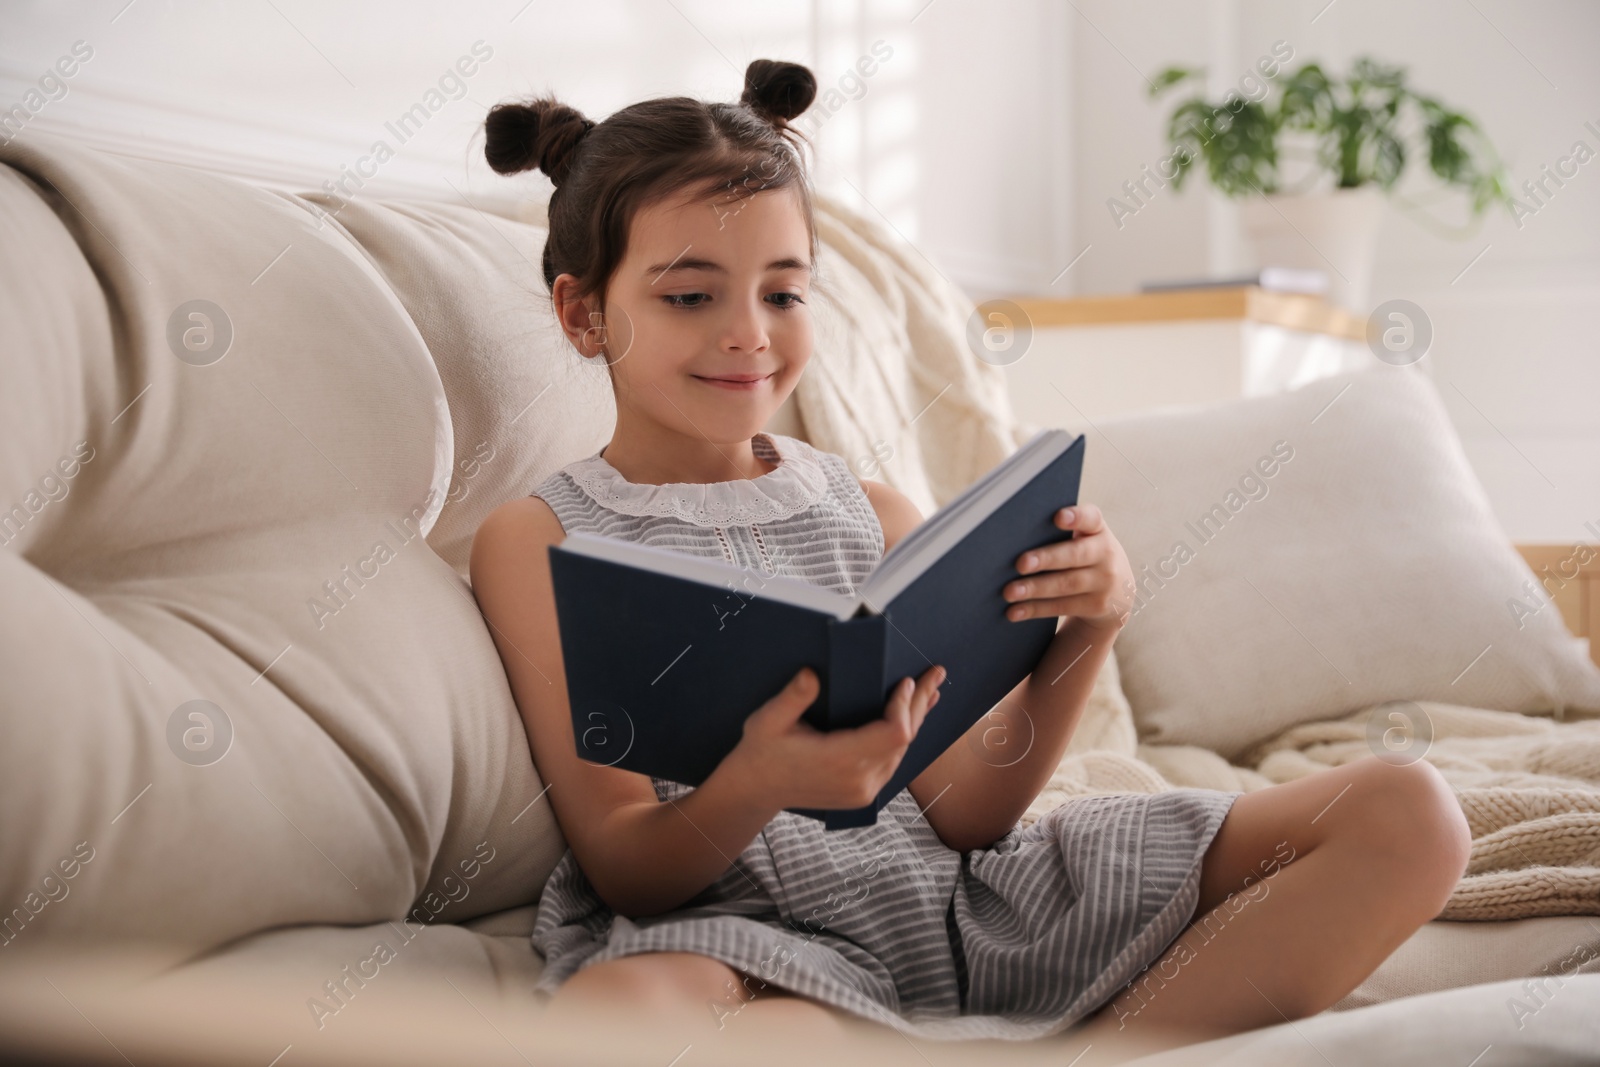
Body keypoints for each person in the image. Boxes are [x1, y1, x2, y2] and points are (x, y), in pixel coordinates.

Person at [467, 58, 1471, 1050]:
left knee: (1407, 809)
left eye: (784, 292)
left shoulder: (875, 514)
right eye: (691, 296)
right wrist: (759, 778)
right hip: (746, 936)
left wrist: (1088, 628)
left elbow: (970, 811)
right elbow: (627, 865)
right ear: (584, 312)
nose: (748, 334)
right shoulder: (542, 538)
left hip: (967, 905)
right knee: (625, 1009)